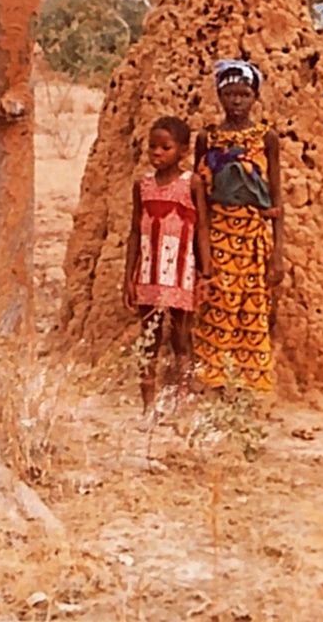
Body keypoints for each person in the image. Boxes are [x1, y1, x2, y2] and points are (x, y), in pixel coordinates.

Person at [192, 59, 284, 392]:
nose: (236, 101)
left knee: (253, 307)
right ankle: (212, 383)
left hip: (255, 236)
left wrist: (278, 252)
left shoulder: (266, 138)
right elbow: (197, 191)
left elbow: (276, 196)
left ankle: (247, 387)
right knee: (216, 304)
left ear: (255, 96)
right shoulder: (208, 138)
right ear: (218, 95)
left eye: (244, 94)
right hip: (218, 234)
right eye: (229, 93)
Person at [123, 115, 211, 419]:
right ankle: (148, 406)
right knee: (149, 339)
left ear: (183, 152)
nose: (156, 153)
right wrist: (128, 278)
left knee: (181, 339)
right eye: (152, 147)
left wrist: (206, 273)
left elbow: (202, 229)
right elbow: (135, 231)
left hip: (181, 275)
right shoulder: (142, 186)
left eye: (165, 148)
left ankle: (180, 400)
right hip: (148, 275)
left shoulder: (192, 184)